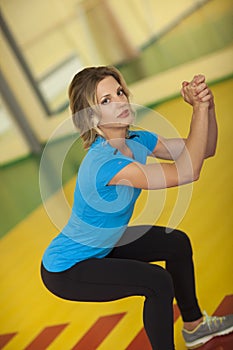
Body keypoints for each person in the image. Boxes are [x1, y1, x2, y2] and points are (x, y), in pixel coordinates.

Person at [40, 66, 233, 350]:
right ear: (91, 117)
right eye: (106, 100)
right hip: (68, 267)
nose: (120, 101)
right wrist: (198, 111)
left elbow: (205, 148)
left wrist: (206, 105)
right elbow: (188, 171)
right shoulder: (105, 164)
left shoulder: (137, 141)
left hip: (104, 245)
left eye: (119, 92)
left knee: (175, 243)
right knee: (157, 283)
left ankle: (194, 326)